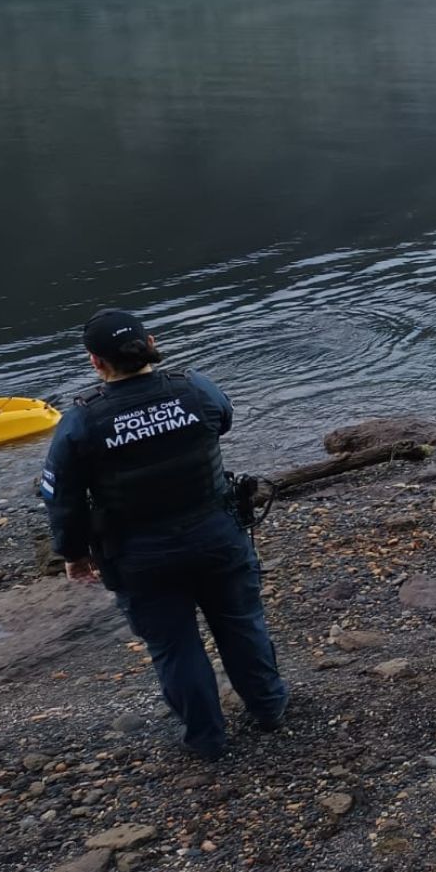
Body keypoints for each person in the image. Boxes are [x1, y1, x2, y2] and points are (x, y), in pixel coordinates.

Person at [41, 309, 288, 760]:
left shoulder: (81, 422)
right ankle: (270, 709)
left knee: (174, 646)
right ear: (151, 342)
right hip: (218, 537)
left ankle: (208, 741)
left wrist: (73, 554)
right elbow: (224, 419)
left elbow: (63, 500)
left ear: (95, 362)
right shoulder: (194, 388)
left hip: (140, 556)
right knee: (241, 626)